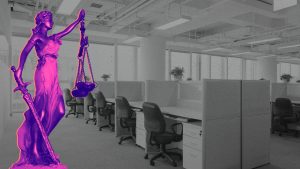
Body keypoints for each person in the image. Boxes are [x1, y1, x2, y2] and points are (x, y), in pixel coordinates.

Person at [10, 9, 85, 168]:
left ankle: (40, 143)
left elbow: (66, 31)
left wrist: (78, 20)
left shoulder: (53, 38)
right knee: (42, 112)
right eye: (49, 17)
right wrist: (19, 71)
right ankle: (35, 149)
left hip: (53, 75)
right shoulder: (37, 37)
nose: (52, 20)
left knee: (59, 110)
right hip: (43, 73)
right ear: (42, 20)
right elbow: (24, 52)